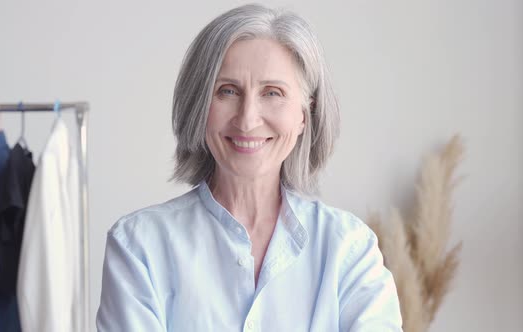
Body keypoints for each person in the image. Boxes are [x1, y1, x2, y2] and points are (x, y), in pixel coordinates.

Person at [96, 4, 402, 331]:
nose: (247, 119)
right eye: (228, 91)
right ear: (199, 105)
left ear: (304, 114)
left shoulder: (348, 248)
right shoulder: (138, 247)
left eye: (273, 92)